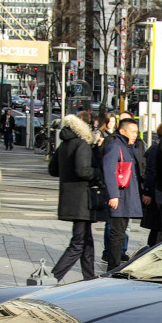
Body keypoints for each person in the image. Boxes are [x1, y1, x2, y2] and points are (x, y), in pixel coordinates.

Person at [51, 111, 103, 284]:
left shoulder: (64, 144)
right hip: (82, 198)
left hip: (69, 196)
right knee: (78, 242)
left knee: (86, 238)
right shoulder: (82, 144)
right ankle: (53, 276)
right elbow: (83, 170)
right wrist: (98, 173)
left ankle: (89, 276)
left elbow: (52, 169)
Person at [100, 115, 143, 271]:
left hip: (127, 195)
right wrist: (113, 195)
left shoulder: (129, 148)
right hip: (120, 196)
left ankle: (115, 264)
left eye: (136, 132)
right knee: (117, 233)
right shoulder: (115, 146)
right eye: (132, 132)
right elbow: (109, 171)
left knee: (121, 232)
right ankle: (113, 266)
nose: (135, 135)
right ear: (122, 131)